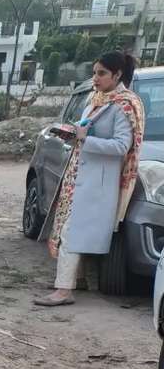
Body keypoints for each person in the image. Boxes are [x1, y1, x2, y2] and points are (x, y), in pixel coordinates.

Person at [34, 51, 145, 306]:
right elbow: (84, 130)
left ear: (117, 75)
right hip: (79, 174)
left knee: (72, 232)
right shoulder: (98, 99)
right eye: (94, 72)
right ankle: (76, 281)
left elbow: (120, 147)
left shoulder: (125, 104)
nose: (95, 78)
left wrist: (85, 139)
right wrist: (73, 134)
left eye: (101, 73)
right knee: (68, 229)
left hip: (98, 182)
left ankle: (64, 291)